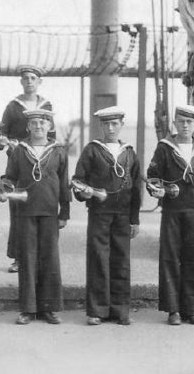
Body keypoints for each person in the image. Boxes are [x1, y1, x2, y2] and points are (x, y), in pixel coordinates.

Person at [0, 109, 69, 325]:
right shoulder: (19, 151)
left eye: (43, 123)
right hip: (26, 212)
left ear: (50, 126)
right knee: (28, 259)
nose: (38, 127)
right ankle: (28, 309)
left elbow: (64, 182)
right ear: (28, 127)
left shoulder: (58, 151)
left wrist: (64, 211)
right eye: (34, 123)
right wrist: (3, 187)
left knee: (49, 259)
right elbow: (10, 177)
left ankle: (48, 308)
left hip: (50, 212)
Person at [73, 106, 141, 326]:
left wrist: (134, 218)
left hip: (122, 214)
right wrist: (85, 193)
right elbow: (77, 180)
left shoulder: (129, 152)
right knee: (98, 259)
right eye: (106, 124)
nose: (110, 128)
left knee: (121, 260)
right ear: (101, 126)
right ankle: (97, 310)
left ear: (122, 125)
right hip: (99, 214)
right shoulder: (92, 150)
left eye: (115, 124)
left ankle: (120, 310)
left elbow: (136, 186)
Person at [146, 105, 194, 326]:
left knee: (193, 258)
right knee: (170, 258)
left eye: (189, 122)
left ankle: (192, 309)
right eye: (181, 121)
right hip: (172, 211)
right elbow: (153, 176)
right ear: (175, 123)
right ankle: (173, 309)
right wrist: (156, 190)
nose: (185, 126)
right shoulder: (165, 148)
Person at [0, 65, 54, 274]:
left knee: (41, 206)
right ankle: (19, 258)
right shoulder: (12, 106)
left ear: (39, 82)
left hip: (40, 163)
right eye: (26, 78)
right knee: (19, 208)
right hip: (18, 164)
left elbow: (51, 138)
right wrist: (4, 142)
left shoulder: (47, 105)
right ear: (21, 81)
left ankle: (40, 259)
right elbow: (1, 140)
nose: (29, 81)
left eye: (33, 78)